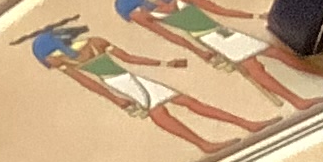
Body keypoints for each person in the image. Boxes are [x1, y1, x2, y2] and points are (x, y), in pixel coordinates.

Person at [23, 22, 267, 154]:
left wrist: (164, 63)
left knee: (187, 102)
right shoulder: (72, 58)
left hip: (126, 80)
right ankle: (204, 143)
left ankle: (244, 124)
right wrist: (117, 99)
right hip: (120, 84)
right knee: (163, 112)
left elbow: (128, 58)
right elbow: (90, 82)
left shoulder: (92, 44)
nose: (51, 61)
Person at [104, 0, 323, 111]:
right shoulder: (150, 17)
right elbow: (174, 37)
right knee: (256, 67)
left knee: (277, 54)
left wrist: (252, 16)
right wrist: (201, 53)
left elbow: (220, 10)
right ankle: (296, 100)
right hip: (210, 40)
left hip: (224, 32)